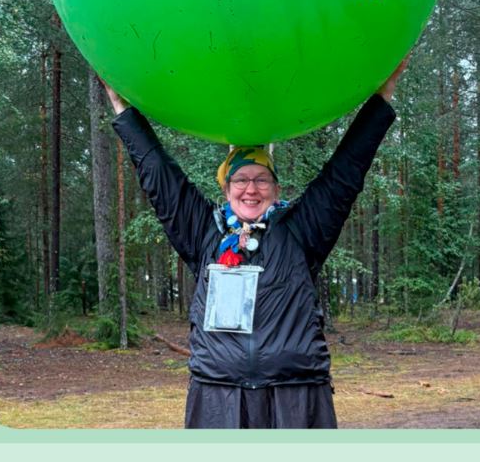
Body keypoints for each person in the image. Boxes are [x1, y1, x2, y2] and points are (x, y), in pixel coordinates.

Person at [104, 57, 409, 429]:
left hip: (295, 393)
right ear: (226, 188)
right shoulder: (204, 231)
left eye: (262, 179)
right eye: (241, 179)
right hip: (219, 394)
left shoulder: (302, 230)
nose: (251, 189)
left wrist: (382, 96)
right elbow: (159, 175)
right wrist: (122, 109)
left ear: (276, 189)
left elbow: (346, 169)